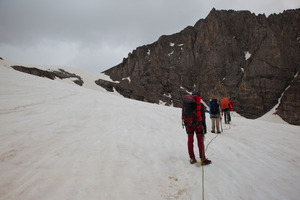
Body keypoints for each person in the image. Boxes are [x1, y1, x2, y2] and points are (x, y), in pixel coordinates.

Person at [182, 91, 211, 165]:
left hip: (188, 125)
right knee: (200, 142)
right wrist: (204, 128)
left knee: (190, 141)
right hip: (198, 126)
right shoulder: (200, 105)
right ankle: (202, 159)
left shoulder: (187, 104)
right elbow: (203, 118)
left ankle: (192, 158)